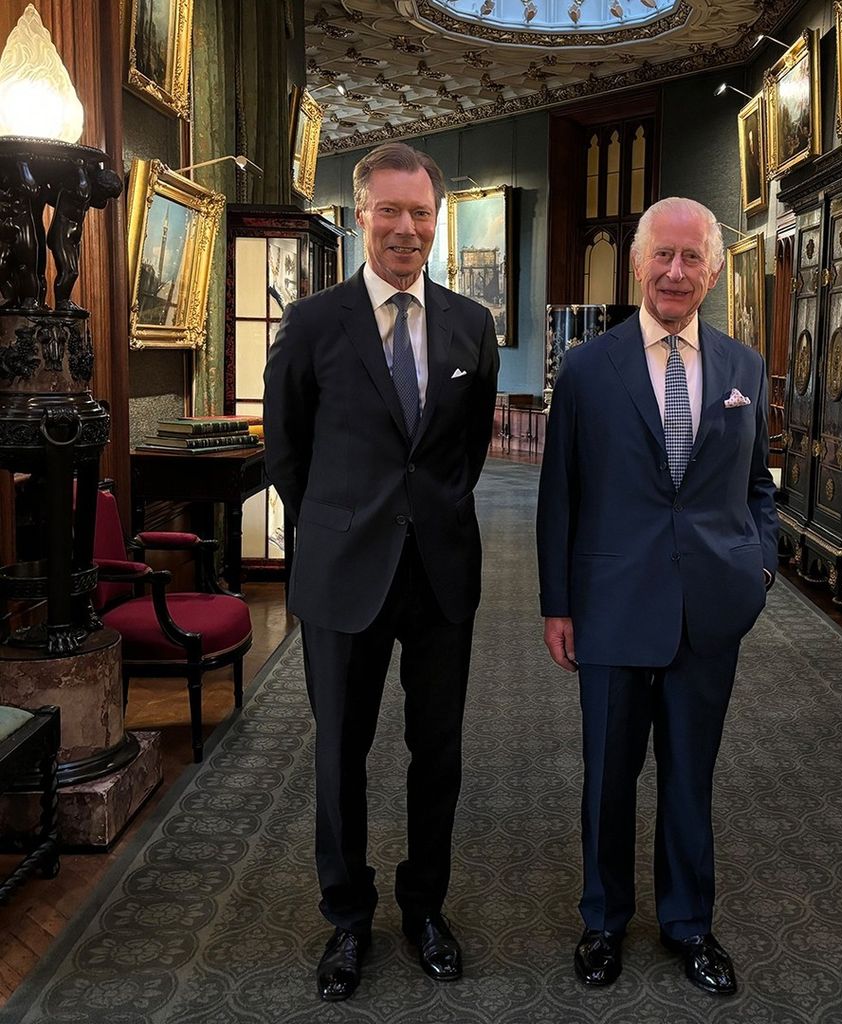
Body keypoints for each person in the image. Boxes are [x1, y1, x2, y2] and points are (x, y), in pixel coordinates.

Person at [263, 142, 499, 1003]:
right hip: (342, 571)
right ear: (360, 213)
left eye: (422, 213)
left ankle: (426, 907)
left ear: (438, 220)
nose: (407, 229)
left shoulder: (472, 324)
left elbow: (465, 452)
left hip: (440, 572)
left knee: (436, 751)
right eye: (390, 211)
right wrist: (338, 522)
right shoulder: (315, 323)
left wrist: (423, 514)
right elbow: (286, 451)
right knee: (341, 754)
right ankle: (348, 917)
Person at [536, 197, 778, 996]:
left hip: (710, 607)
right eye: (663, 257)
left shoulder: (744, 370)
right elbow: (559, 498)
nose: (676, 273)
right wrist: (557, 604)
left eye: (692, 259)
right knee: (608, 776)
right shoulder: (586, 370)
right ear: (639, 264)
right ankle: (602, 921)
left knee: (689, 774)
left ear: (713, 269)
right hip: (609, 605)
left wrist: (760, 566)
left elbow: (757, 487)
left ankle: (689, 923)